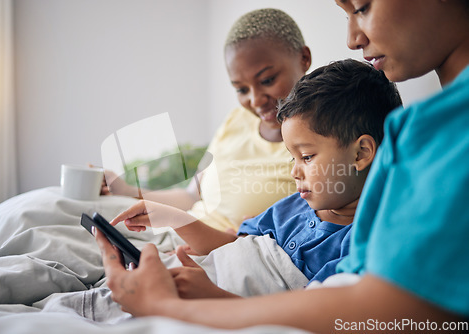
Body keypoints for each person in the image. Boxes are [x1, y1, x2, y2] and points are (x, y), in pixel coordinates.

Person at [95, 0, 469, 332]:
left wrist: (173, 307)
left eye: (363, 6)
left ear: (362, 153)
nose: (353, 38)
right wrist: (171, 218)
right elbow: (231, 234)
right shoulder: (419, 132)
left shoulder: (423, 147)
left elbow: (386, 308)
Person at [107, 59, 403, 300]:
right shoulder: (291, 208)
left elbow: (302, 316)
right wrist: (174, 218)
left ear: (361, 153)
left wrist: (214, 298)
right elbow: (231, 246)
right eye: (292, 157)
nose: (295, 171)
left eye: (307, 157)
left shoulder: (362, 243)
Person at [103, 8, 312, 233]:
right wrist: (125, 190)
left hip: (217, 253)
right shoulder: (236, 120)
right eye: (241, 89)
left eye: (267, 80)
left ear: (304, 59)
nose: (255, 100)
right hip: (179, 236)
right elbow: (191, 195)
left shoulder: (320, 139)